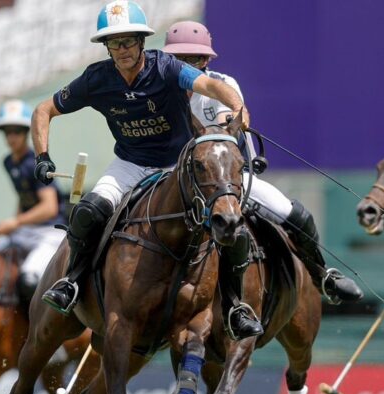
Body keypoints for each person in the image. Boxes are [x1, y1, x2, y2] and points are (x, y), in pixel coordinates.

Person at [31, 1, 267, 339]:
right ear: (106, 47)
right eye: (115, 43)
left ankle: (234, 305)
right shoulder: (96, 79)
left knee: (224, 224)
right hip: (129, 163)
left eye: (129, 41)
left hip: (177, 168)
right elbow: (43, 110)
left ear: (142, 41)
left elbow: (210, 86)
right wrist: (42, 156)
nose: (123, 49)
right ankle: (71, 281)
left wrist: (237, 106)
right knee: (88, 211)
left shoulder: (168, 68)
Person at [162, 21, 364, 339]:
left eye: (195, 59)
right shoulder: (161, 92)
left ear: (207, 62)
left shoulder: (222, 83)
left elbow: (233, 118)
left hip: (230, 180)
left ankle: (322, 275)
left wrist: (230, 121)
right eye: (181, 60)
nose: (189, 67)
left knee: (295, 215)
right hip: (179, 185)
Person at [0, 99, 66, 301]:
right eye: (7, 131)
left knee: (28, 280)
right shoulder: (8, 162)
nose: (11, 137)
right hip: (26, 231)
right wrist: (14, 224)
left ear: (26, 133)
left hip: (49, 234)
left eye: (17, 131)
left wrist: (15, 222)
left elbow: (49, 208)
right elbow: (23, 198)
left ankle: (32, 329)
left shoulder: (34, 163)